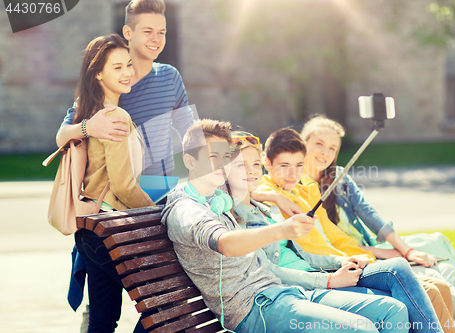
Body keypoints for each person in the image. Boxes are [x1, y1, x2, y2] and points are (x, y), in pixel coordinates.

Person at [161, 119, 410, 333]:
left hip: (284, 292)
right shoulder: (187, 209)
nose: (220, 165)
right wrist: (282, 229)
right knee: (362, 327)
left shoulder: (218, 199)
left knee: (393, 310)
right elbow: (225, 244)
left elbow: (248, 186)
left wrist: (274, 198)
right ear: (190, 161)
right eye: (211, 156)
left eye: (224, 157)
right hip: (254, 305)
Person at [58, 1, 194, 329]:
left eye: (161, 32)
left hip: (157, 195)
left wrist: (222, 171)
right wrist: (91, 127)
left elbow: (191, 135)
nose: (156, 39)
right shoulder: (110, 79)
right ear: (128, 32)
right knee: (159, 304)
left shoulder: (169, 77)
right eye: (147, 31)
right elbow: (63, 134)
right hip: (121, 205)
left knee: (158, 302)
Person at [230, 130, 449, 333]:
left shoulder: (276, 206)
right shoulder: (253, 205)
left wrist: (343, 260)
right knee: (401, 299)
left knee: (403, 274)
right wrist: (329, 279)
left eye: (254, 165)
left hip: (323, 268)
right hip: (301, 287)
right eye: (241, 165)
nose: (250, 171)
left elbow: (319, 244)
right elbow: (255, 191)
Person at [299, 114, 455, 333]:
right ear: (303, 143)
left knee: (443, 269)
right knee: (432, 277)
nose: (325, 153)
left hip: (375, 252)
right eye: (319, 144)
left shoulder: (339, 177)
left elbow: (369, 214)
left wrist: (407, 250)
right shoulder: (297, 187)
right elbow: (325, 245)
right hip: (355, 260)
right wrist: (383, 253)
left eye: (332, 148)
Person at [71, 34, 155, 333]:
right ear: (98, 73)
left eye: (129, 65)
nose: (127, 73)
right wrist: (159, 214)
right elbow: (123, 187)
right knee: (162, 308)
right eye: (117, 67)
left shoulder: (91, 113)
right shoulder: (115, 116)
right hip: (112, 231)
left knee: (103, 321)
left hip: (91, 231)